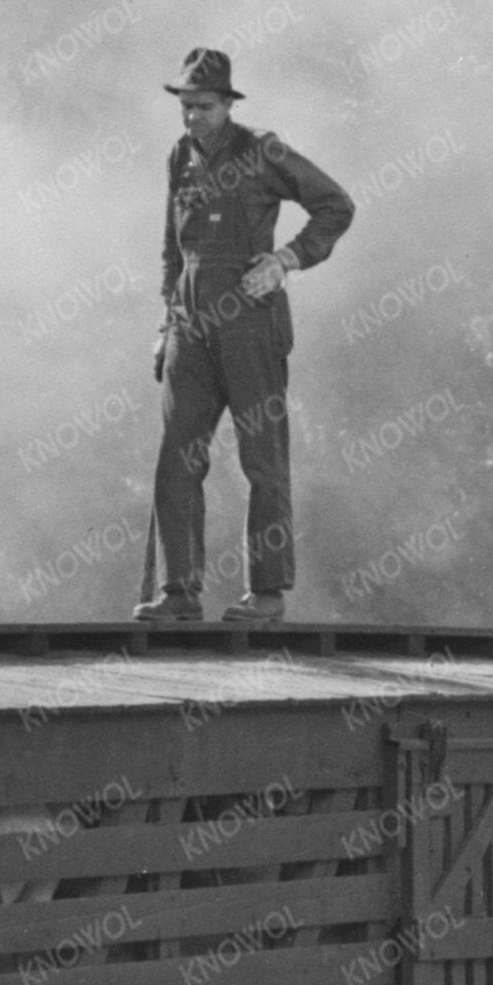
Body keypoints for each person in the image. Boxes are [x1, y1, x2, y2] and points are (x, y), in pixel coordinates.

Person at [142, 46, 353, 627]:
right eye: (185, 106)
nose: (191, 118)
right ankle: (179, 592)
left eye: (203, 107)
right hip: (189, 329)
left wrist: (287, 258)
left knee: (262, 461)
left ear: (228, 104)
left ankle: (267, 593)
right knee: (176, 460)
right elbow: (172, 247)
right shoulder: (179, 156)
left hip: (249, 328)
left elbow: (336, 205)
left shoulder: (263, 150)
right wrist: (165, 325)